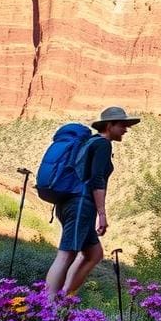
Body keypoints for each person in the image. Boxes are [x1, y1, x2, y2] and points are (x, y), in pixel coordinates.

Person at [45, 106, 140, 299]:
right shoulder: (103, 144)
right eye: (122, 125)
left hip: (71, 203)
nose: (125, 129)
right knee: (66, 254)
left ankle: (65, 298)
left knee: (94, 254)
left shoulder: (90, 142)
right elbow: (97, 179)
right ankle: (47, 306)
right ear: (109, 125)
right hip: (80, 204)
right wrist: (102, 214)